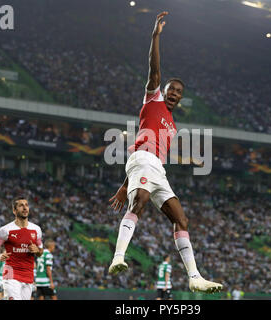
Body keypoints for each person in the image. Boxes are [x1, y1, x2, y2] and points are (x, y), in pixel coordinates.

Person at [108, 11, 222, 294]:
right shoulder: (153, 97)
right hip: (142, 160)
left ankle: (194, 276)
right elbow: (153, 69)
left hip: (155, 167)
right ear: (164, 90)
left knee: (181, 219)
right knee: (142, 200)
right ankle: (118, 256)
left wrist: (125, 186)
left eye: (179, 91)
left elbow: (153, 157)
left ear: (181, 97)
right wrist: (155, 37)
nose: (174, 93)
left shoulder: (172, 124)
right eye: (171, 88)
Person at [0, 196, 44, 300]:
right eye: (21, 205)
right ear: (14, 210)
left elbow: (40, 252)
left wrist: (37, 250)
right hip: (10, 274)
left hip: (28, 275)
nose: (25, 208)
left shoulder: (36, 230)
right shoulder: (5, 230)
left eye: (26, 205)